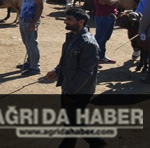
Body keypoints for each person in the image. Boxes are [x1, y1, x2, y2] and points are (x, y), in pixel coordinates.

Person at [45, 8, 107, 148]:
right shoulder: (72, 37)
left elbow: (86, 72)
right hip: (69, 85)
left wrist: (71, 92)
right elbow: (66, 60)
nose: (65, 22)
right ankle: (92, 143)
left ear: (81, 22)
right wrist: (56, 71)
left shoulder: (88, 43)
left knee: (74, 121)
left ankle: (96, 142)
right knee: (71, 120)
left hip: (79, 90)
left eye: (69, 19)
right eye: (66, 19)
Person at [19, 0, 46, 76]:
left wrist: (34, 23)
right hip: (24, 17)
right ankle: (30, 62)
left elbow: (40, 6)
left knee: (32, 43)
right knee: (27, 42)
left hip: (30, 19)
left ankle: (35, 67)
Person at [93, 0, 120, 65]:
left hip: (111, 16)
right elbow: (111, 1)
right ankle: (93, 59)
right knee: (99, 38)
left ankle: (101, 57)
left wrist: (113, 0)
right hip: (103, 17)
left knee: (104, 39)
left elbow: (113, 2)